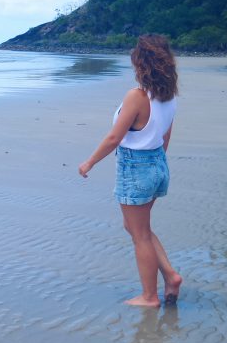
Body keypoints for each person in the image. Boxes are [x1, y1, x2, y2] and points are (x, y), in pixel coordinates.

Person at [78, 34, 182, 308]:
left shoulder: (137, 97)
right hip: (158, 164)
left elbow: (114, 138)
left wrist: (89, 162)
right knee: (139, 228)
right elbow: (165, 136)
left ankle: (149, 297)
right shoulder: (169, 97)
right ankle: (170, 277)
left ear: (141, 64)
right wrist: (156, 165)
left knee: (140, 235)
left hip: (136, 168)